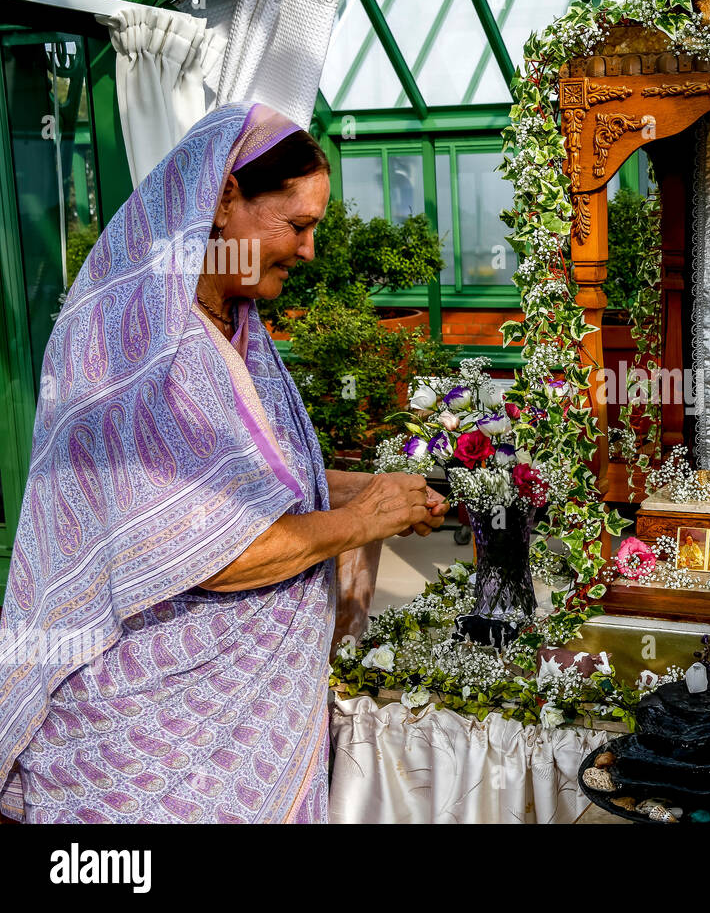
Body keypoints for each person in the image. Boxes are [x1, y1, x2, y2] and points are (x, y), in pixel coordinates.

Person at [0, 103, 448, 823]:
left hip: (230, 729)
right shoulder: (130, 339)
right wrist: (362, 519)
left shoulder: (234, 327)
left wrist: (366, 488)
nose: (307, 252)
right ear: (221, 200)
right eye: (298, 226)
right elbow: (205, 549)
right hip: (152, 749)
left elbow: (238, 489)